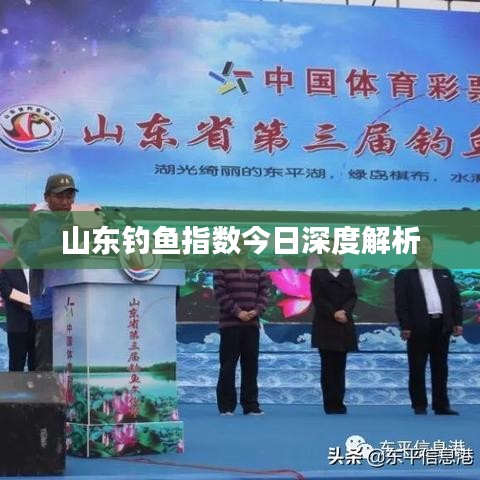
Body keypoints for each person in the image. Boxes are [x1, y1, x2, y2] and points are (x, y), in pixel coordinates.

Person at [394, 233, 463, 415]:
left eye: (426, 245)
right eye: (418, 245)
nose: (423, 248)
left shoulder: (444, 272)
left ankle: (441, 405)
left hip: (442, 325)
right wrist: (405, 326)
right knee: (417, 367)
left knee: (440, 367)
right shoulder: (404, 274)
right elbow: (401, 303)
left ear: (432, 247)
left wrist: (457, 322)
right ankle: (419, 405)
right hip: (417, 327)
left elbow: (454, 299)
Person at [17, 173, 78, 371]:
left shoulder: (77, 220)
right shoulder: (37, 221)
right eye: (59, 196)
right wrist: (58, 236)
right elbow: (28, 253)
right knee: (47, 363)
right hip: (48, 304)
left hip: (77, 301)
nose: (65, 202)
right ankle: (45, 391)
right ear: (46, 197)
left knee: (74, 359)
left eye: (69, 196)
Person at [213, 239, 269, 416]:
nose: (242, 246)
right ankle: (226, 406)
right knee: (228, 365)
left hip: (252, 324)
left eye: (245, 243)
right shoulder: (221, 267)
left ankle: (250, 405)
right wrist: (238, 312)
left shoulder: (257, 267)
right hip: (230, 324)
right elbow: (220, 294)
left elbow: (264, 293)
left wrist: (256, 311)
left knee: (251, 365)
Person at [310, 247, 357, 414]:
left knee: (340, 366)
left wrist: (344, 311)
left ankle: (339, 402)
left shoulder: (346, 273)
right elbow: (318, 298)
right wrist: (333, 313)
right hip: (326, 325)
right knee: (328, 366)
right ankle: (330, 404)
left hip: (344, 323)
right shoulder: (318, 273)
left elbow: (352, 296)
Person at [0, 228, 35, 371]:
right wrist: (27, 302)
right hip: (18, 324)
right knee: (16, 365)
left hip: (40, 323)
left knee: (38, 366)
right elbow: (6, 291)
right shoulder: (7, 267)